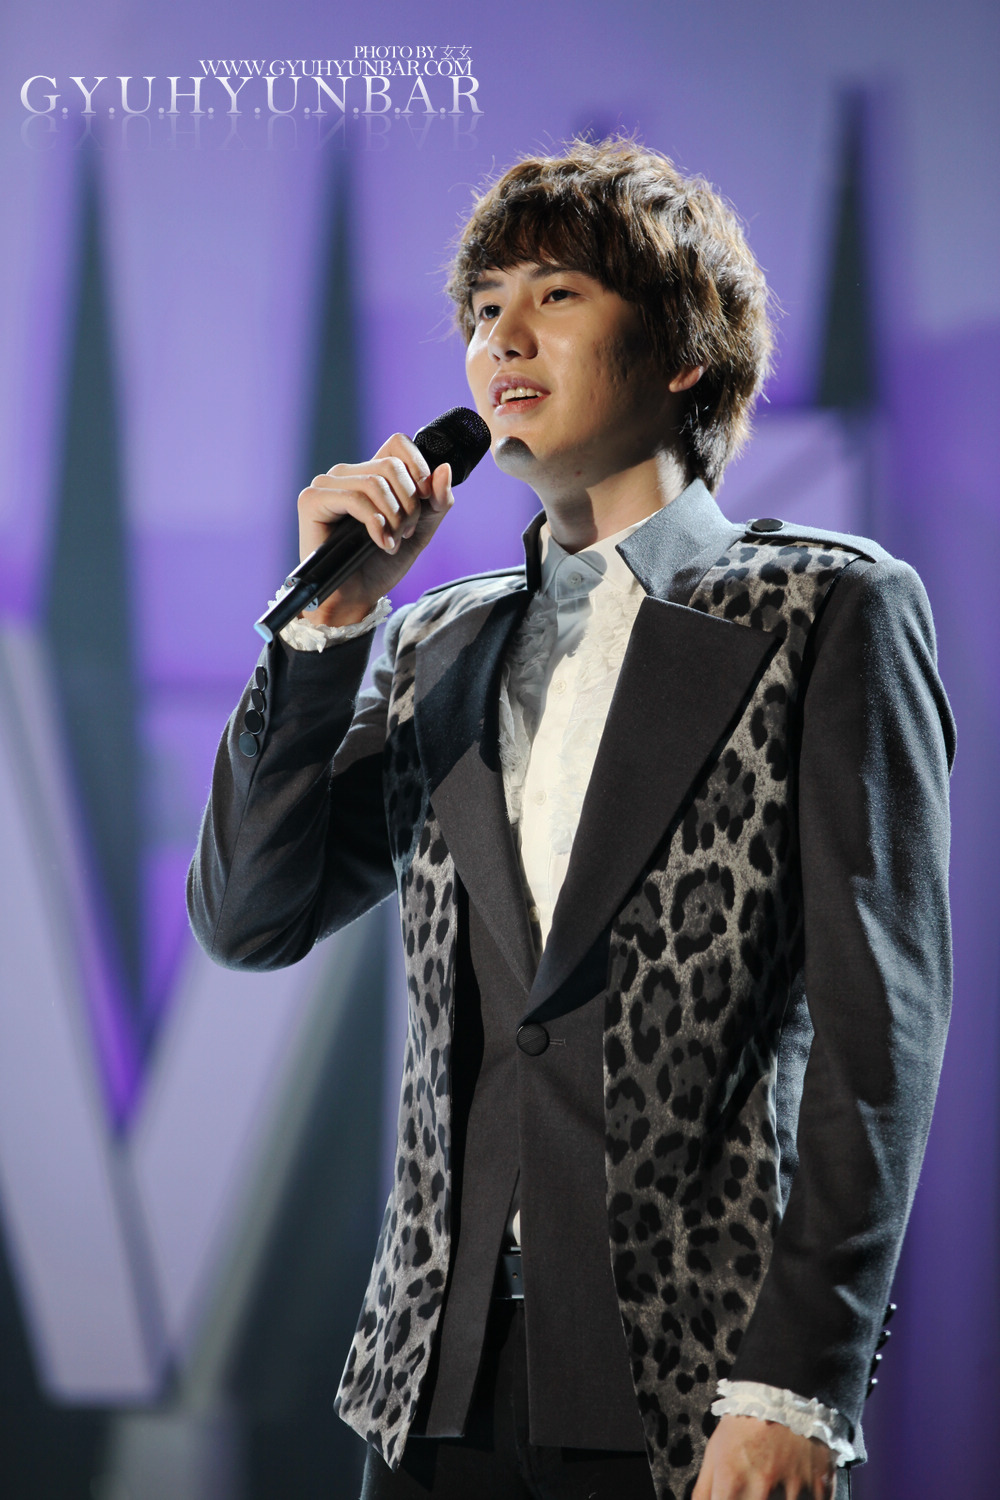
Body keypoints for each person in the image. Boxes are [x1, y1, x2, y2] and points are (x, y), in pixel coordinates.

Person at [188, 139, 955, 1500]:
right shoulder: (438, 644)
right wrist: (327, 633)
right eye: (485, 307)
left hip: (698, 1390)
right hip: (435, 1391)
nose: (504, 337)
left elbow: (877, 1037)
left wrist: (798, 1385)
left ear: (684, 356)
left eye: (556, 295)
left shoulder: (822, 611)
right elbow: (252, 919)